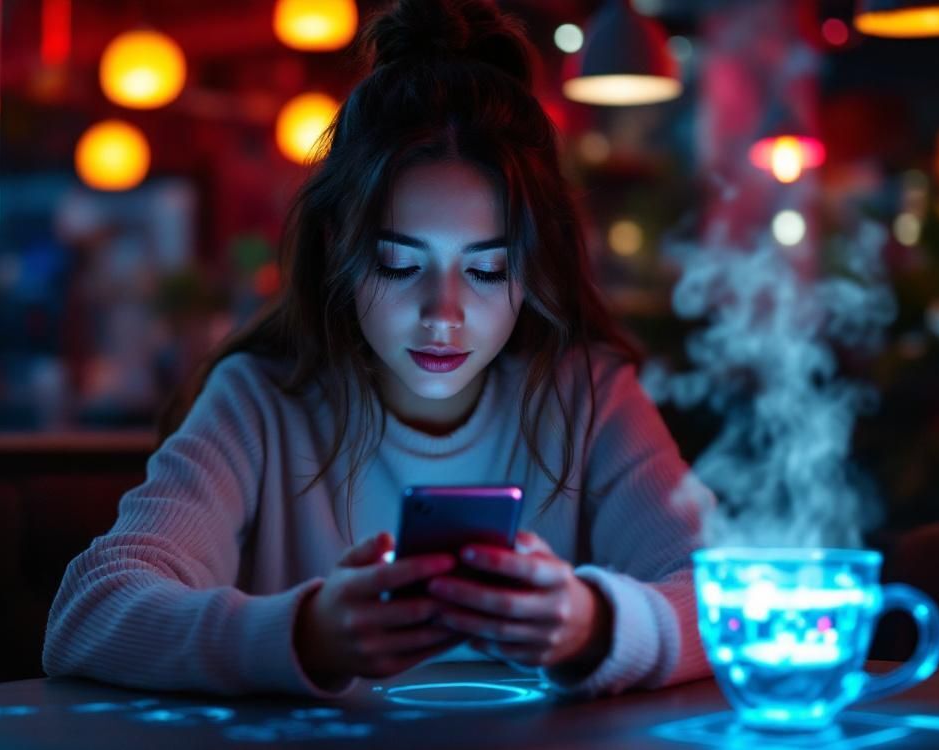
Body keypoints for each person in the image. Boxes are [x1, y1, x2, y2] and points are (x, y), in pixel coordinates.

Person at [43, 0, 713, 699]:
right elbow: (90, 612)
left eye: (487, 270)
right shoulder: (261, 402)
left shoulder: (589, 399)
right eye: (399, 264)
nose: (443, 315)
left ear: (533, 266)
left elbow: (717, 592)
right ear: (340, 247)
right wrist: (307, 634)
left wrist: (594, 624)